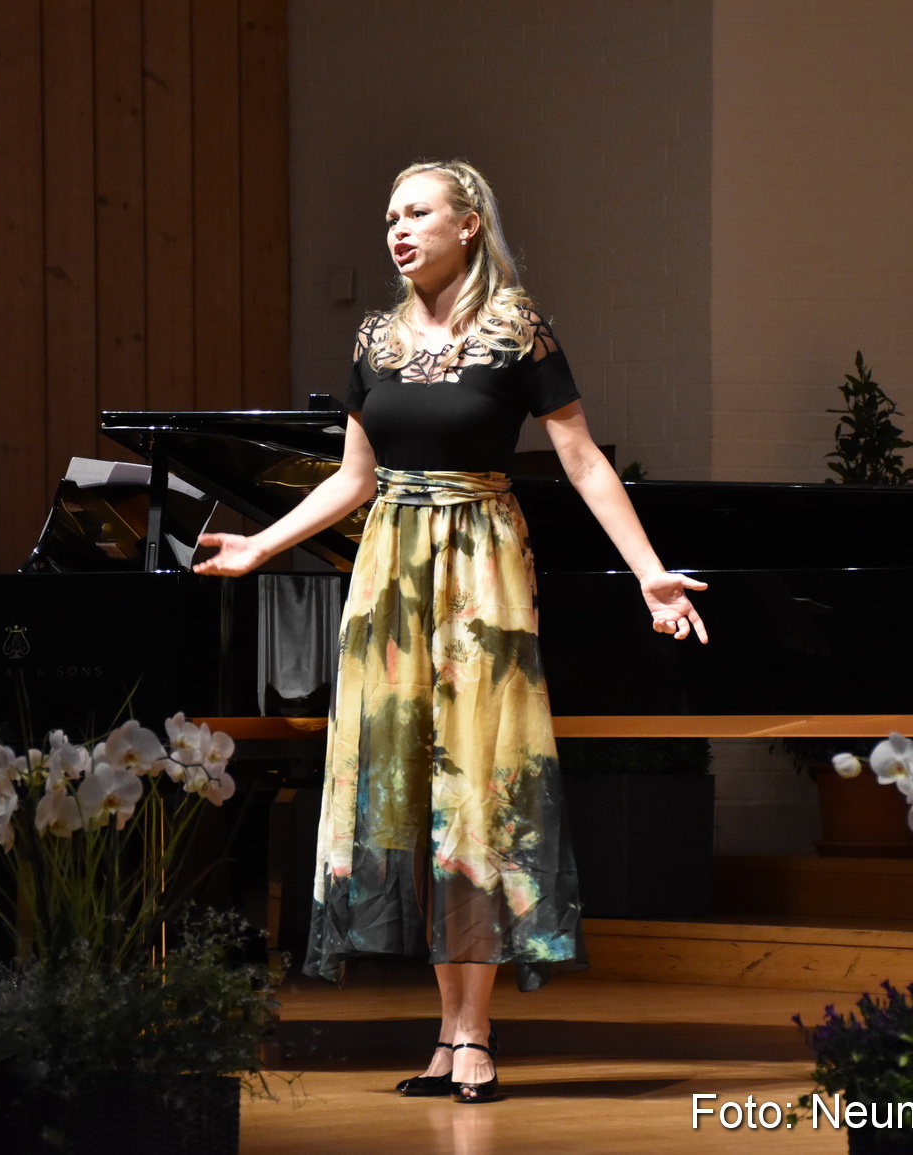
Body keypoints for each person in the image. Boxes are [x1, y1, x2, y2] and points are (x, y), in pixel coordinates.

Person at [194, 160, 708, 1104]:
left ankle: (473, 1032)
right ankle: (446, 1031)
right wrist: (260, 546)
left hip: (480, 568)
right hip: (388, 569)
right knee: (400, 787)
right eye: (389, 214)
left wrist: (648, 573)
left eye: (417, 211)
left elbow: (583, 460)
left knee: (476, 787)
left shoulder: (518, 327)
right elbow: (352, 478)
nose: (397, 228)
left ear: (468, 224)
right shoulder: (376, 336)